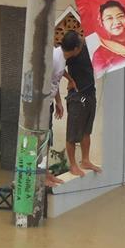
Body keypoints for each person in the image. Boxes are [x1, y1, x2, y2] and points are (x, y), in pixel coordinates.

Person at [61, 30, 102, 177]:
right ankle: (72, 165)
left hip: (90, 93)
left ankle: (85, 160)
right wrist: (70, 80)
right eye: (80, 40)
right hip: (77, 97)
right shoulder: (68, 55)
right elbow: (58, 68)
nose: (82, 40)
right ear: (75, 48)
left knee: (86, 130)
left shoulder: (87, 46)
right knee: (72, 134)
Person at [92, 0, 125, 76]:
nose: (116, 22)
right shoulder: (100, 55)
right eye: (109, 18)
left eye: (120, 16)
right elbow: (103, 80)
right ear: (102, 22)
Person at [45, 44, 67, 187]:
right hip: (40, 106)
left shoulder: (62, 58)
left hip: (49, 103)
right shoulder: (52, 58)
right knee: (41, 141)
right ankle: (40, 175)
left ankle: (45, 172)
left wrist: (58, 101)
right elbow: (45, 80)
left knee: (47, 139)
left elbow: (55, 81)